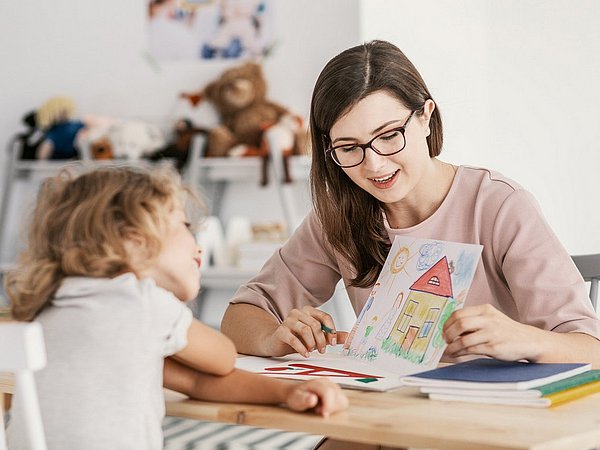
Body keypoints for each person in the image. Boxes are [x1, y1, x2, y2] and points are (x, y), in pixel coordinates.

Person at [221, 39, 600, 367]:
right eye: (349, 147)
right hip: (395, 412)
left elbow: (590, 348)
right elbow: (241, 316)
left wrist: (525, 339)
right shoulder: (339, 216)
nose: (375, 164)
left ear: (425, 118)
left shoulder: (499, 205)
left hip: (496, 417)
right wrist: (273, 337)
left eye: (388, 136)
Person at [4, 165, 348, 450]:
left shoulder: (48, 308)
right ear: (134, 241)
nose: (196, 243)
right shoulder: (141, 302)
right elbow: (222, 358)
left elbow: (193, 382)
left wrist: (288, 392)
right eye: (185, 226)